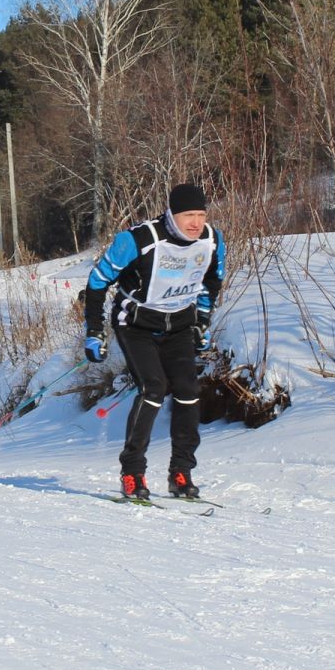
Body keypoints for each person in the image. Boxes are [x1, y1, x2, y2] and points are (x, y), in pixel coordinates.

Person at [82, 183, 227, 502]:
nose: (196, 222)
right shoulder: (138, 240)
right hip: (136, 324)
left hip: (178, 324)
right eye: (188, 215)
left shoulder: (212, 241)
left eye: (201, 215)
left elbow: (212, 282)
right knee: (153, 388)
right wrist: (94, 330)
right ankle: (132, 473)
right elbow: (97, 282)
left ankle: (181, 473)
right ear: (172, 215)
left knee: (188, 391)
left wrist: (202, 321)